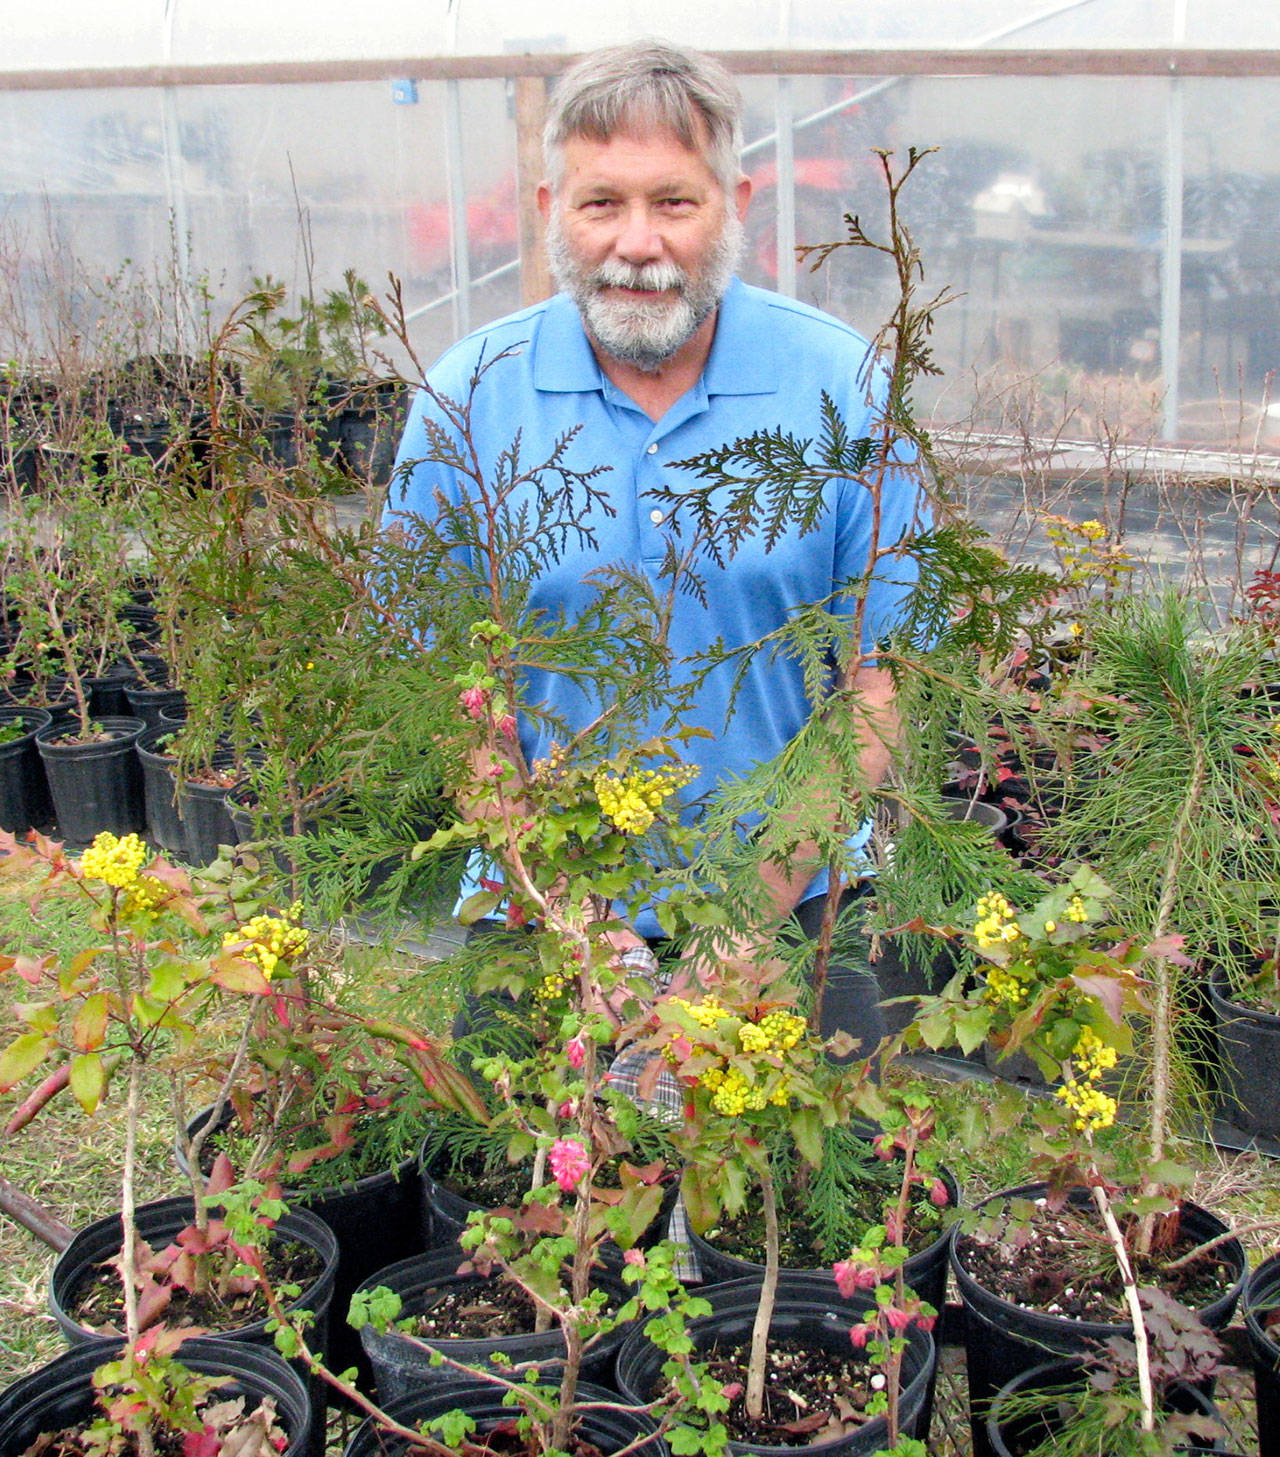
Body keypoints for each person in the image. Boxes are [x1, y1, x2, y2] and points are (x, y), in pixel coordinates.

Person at [384, 39, 929, 1058]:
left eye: (673, 202)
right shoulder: (467, 397)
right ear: (549, 205)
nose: (637, 243)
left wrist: (750, 911)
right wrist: (565, 913)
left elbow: (878, 682)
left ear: (736, 200)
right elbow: (438, 690)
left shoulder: (841, 385)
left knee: (806, 1199)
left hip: (792, 898)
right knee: (511, 1201)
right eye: (601, 204)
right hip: (538, 904)